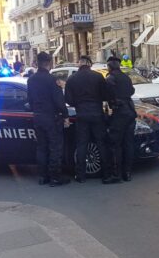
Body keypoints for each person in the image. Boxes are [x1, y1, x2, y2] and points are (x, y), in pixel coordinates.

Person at [64, 55, 118, 184]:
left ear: (80, 63)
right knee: (101, 143)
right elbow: (105, 95)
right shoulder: (98, 77)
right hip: (97, 113)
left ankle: (81, 175)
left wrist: (78, 104)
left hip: (81, 114)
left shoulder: (72, 79)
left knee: (82, 144)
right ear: (89, 63)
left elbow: (68, 99)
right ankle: (106, 175)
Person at [27, 52, 69, 187]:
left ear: (37, 63)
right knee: (55, 148)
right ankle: (55, 178)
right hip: (52, 118)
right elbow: (59, 101)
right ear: (49, 63)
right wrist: (65, 115)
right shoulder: (52, 80)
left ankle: (42, 177)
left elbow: (30, 100)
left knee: (41, 147)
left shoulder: (31, 80)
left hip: (38, 117)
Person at [106, 56, 137, 182]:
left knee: (115, 145)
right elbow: (131, 91)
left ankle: (116, 175)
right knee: (128, 144)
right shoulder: (126, 77)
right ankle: (127, 173)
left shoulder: (110, 78)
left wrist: (113, 104)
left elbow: (108, 95)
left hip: (119, 114)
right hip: (130, 112)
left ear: (109, 66)